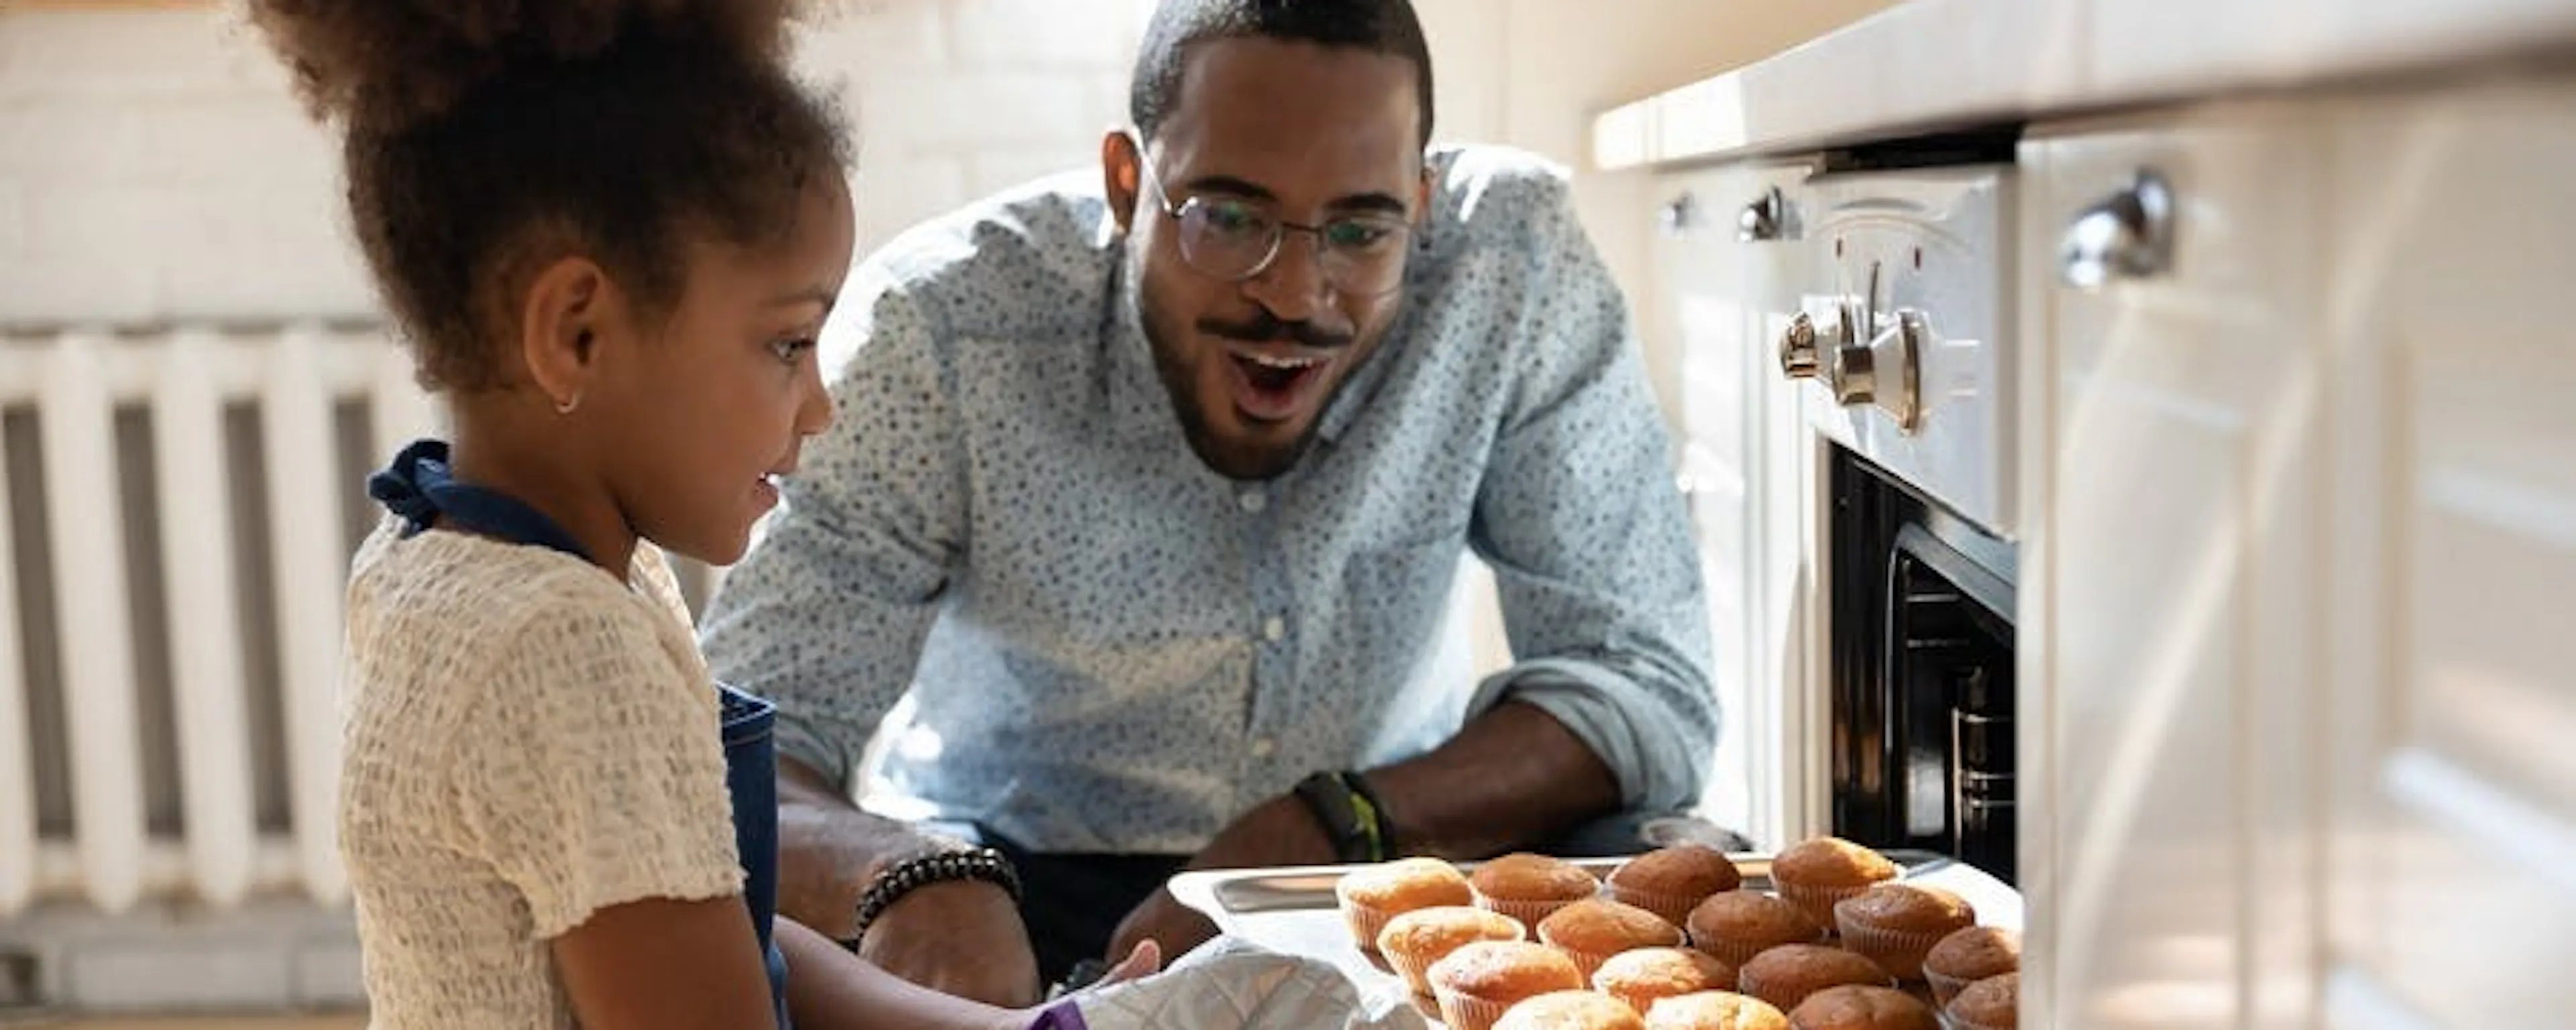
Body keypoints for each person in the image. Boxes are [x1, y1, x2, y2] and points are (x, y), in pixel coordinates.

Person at [700, 0, 1721, 1006]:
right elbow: (725, 748)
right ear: (1125, 181)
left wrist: (1327, 824)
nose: (1295, 294)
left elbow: (1644, 685)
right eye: (1228, 218)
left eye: (1361, 229)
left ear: (1422, 200)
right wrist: (907, 879)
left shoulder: (1515, 265)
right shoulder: (943, 328)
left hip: (1380, 862)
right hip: (1008, 879)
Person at [258, 1, 1157, 1027]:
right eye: (787, 344)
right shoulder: (565, 641)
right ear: (577, 333)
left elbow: (705, 920)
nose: (821, 407)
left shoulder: (441, 553)